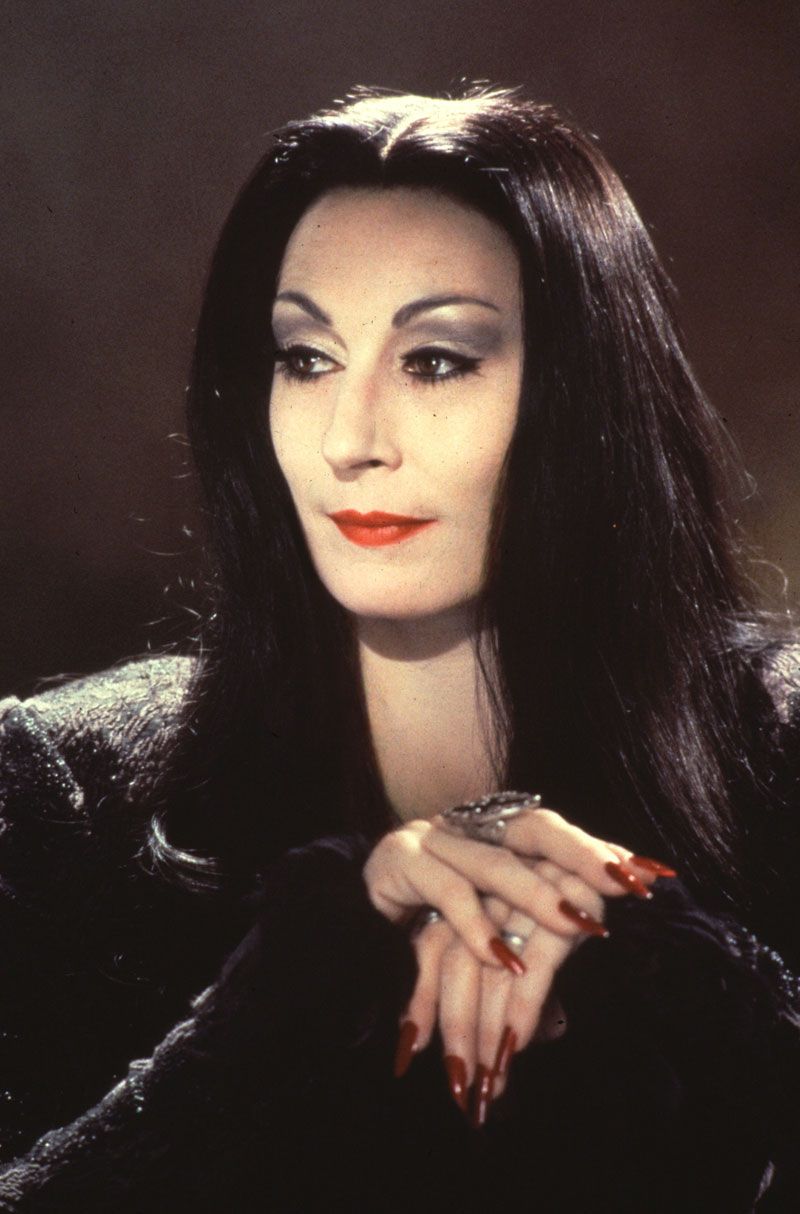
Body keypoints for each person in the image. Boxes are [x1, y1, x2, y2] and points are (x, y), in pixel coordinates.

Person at [0, 84, 796, 1212]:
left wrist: (685, 972)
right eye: (305, 357)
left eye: (434, 361)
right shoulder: (64, 788)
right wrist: (275, 1004)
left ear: (583, 391)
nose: (350, 439)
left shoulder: (782, 751)